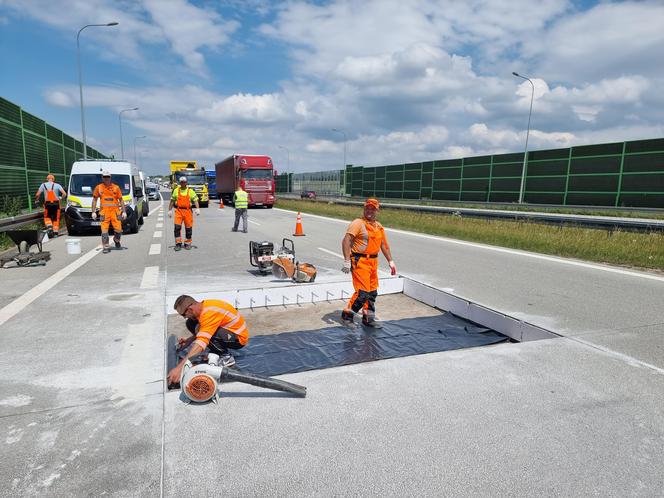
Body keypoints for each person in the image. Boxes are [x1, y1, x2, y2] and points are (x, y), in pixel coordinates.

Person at [167, 295, 250, 385]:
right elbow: (204, 328)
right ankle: (217, 350)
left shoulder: (210, 313)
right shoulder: (202, 307)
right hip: (227, 331)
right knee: (191, 323)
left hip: (238, 338)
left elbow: (202, 341)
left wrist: (179, 369)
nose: (184, 317)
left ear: (190, 309)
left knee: (208, 335)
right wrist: (189, 340)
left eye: (183, 314)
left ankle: (226, 357)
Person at [341, 198, 397, 328]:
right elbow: (346, 240)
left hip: (373, 262)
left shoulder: (379, 226)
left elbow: (384, 245)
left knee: (372, 293)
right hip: (359, 261)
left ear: (377, 210)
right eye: (367, 208)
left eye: (372, 208)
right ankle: (347, 315)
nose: (369, 211)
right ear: (364, 209)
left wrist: (391, 261)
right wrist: (346, 260)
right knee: (362, 293)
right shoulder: (358, 223)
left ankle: (368, 318)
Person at [91, 170, 126, 254]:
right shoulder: (98, 187)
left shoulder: (116, 188)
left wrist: (124, 211)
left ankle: (116, 240)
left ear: (110, 177)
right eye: (104, 177)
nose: (106, 178)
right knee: (104, 231)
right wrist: (93, 212)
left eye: (108, 177)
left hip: (115, 212)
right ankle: (106, 246)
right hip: (104, 213)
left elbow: (121, 200)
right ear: (102, 178)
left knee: (119, 230)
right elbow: (94, 199)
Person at [168, 177, 200, 251]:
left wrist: (197, 208)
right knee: (177, 228)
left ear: (186, 182)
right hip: (179, 211)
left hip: (188, 211)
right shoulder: (176, 191)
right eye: (181, 182)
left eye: (184, 182)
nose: (183, 183)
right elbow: (172, 201)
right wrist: (169, 210)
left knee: (188, 228)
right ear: (180, 183)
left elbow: (195, 200)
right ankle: (178, 244)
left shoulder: (190, 191)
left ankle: (187, 244)